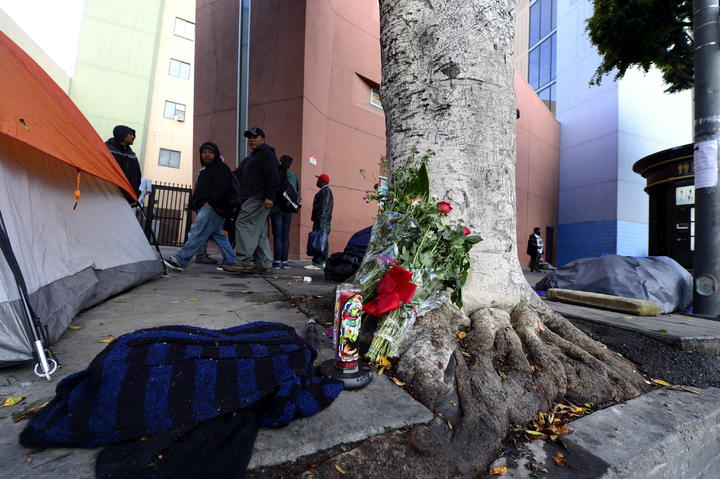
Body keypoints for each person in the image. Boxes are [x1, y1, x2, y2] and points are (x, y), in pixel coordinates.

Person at [163, 142, 238, 271]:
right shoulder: (207, 169)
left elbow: (222, 188)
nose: (206, 155)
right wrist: (195, 204)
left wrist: (211, 203)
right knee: (218, 236)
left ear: (216, 154)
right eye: (204, 152)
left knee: (197, 234)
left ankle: (181, 260)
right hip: (209, 208)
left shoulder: (221, 168)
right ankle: (231, 261)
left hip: (212, 209)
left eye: (210, 152)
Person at [223, 128, 281, 274]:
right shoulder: (256, 156)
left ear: (263, 139)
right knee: (259, 231)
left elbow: (274, 176)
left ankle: (243, 262)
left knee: (243, 224)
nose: (251, 140)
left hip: (257, 197)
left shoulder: (266, 154)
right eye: (249, 137)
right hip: (256, 197)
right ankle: (265, 264)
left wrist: (270, 197)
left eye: (255, 137)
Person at [270, 155, 298, 269]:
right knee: (285, 236)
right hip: (288, 209)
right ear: (290, 165)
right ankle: (284, 262)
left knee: (277, 235)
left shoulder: (276, 173)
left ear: (280, 162)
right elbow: (296, 191)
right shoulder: (293, 176)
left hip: (277, 208)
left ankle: (277, 261)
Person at [106, 125, 142, 204]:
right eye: (130, 134)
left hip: (127, 196)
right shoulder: (107, 149)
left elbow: (137, 175)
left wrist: (137, 192)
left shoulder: (131, 154)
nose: (133, 137)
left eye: (133, 135)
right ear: (121, 134)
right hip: (109, 194)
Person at [305, 173, 333, 270]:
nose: (317, 182)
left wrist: (320, 221)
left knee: (320, 241)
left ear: (323, 181)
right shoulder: (324, 191)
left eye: (318, 180)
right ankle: (320, 262)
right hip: (323, 221)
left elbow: (323, 207)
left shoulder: (325, 191)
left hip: (322, 221)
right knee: (322, 241)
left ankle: (318, 263)